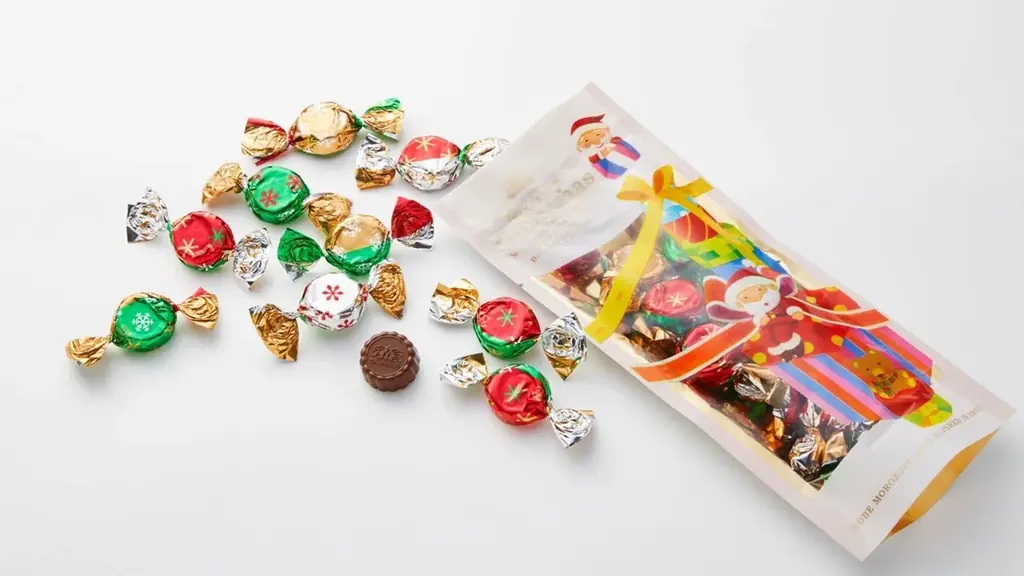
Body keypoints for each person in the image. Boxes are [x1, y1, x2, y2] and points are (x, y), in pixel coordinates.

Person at [571, 114, 640, 179]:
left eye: (598, 134)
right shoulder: (595, 159)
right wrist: (599, 157)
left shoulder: (618, 142)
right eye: (586, 141)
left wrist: (616, 145)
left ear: (607, 130)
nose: (597, 142)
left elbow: (635, 154)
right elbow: (610, 174)